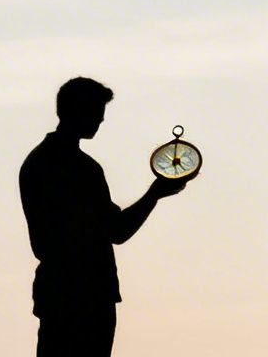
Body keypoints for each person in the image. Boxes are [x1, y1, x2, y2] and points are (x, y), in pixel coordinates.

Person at [18, 77, 192, 357]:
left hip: (57, 292)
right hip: (86, 294)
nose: (101, 120)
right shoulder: (81, 169)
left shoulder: (38, 162)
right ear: (80, 111)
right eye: (97, 112)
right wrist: (154, 194)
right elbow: (118, 231)